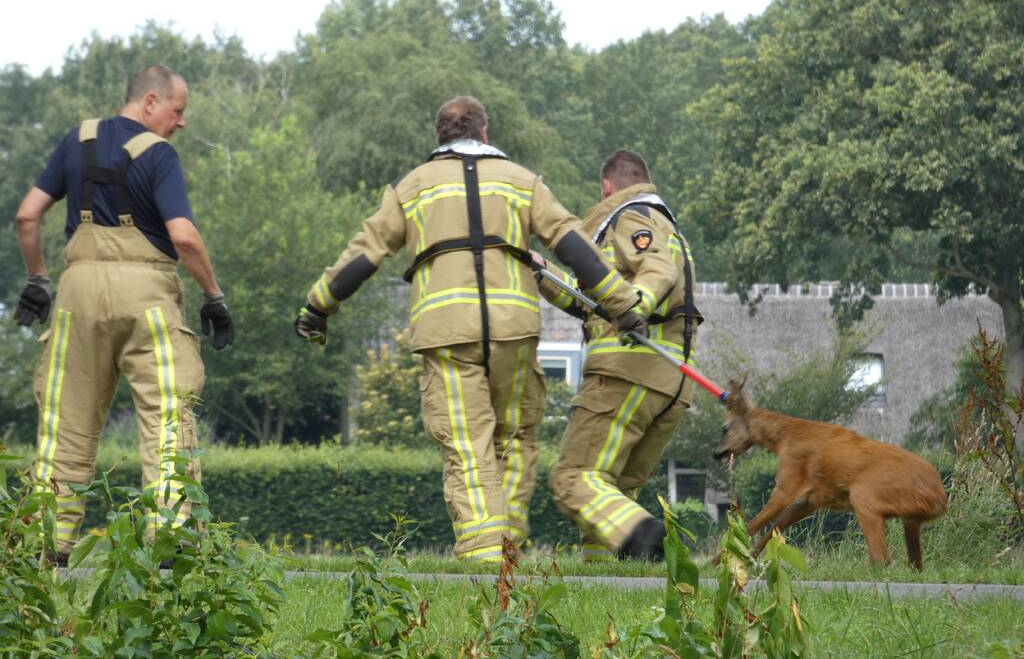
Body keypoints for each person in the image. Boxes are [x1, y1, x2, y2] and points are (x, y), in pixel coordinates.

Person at [295, 96, 644, 562]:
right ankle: (509, 543)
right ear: (484, 133)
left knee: (466, 440)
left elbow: (364, 254)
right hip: (514, 331)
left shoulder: (411, 188)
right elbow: (573, 244)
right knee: (515, 435)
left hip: (446, 333)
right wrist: (622, 304)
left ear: (439, 137)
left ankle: (485, 554)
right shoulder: (523, 181)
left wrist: (318, 305)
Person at [13, 64, 234, 564]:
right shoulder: (160, 155)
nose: (181, 123)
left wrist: (37, 279)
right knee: (167, 418)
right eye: (178, 111)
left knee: (63, 426)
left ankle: (45, 549)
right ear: (151, 101)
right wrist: (214, 296)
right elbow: (183, 236)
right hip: (146, 300)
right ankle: (171, 544)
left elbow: (28, 215)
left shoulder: (77, 140)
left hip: (76, 297)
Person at [536, 150, 701, 561]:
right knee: (611, 496)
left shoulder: (631, 217)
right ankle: (607, 579)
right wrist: (543, 274)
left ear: (608, 185)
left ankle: (649, 540)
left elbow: (655, 271)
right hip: (670, 384)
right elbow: (589, 302)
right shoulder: (670, 228)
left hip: (627, 370)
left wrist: (635, 308)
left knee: (573, 478)